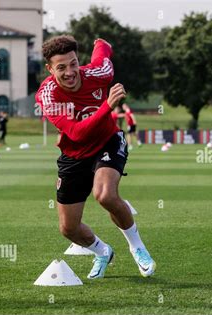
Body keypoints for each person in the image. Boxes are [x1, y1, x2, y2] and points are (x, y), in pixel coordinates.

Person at [35, 35, 156, 279]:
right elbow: (77, 133)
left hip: (107, 142)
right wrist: (107, 106)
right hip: (74, 153)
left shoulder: (98, 72)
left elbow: (104, 51)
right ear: (49, 69)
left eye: (73, 63)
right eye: (61, 67)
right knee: (68, 228)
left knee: (105, 195)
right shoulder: (48, 95)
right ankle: (102, 251)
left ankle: (137, 247)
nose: (70, 72)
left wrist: (100, 42)